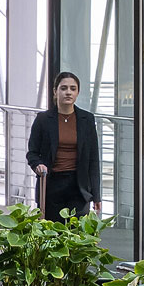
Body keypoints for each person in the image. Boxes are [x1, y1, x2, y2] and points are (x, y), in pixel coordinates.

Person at [25, 71, 101, 221]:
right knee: (53, 233)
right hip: (52, 185)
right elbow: (32, 153)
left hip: (79, 186)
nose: (68, 92)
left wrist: (96, 195)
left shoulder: (87, 119)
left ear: (78, 92)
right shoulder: (43, 120)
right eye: (64, 88)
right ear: (55, 91)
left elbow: (93, 159)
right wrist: (38, 165)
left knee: (76, 233)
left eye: (73, 89)